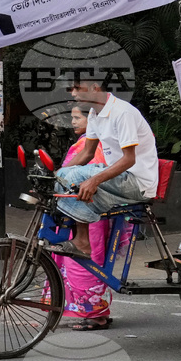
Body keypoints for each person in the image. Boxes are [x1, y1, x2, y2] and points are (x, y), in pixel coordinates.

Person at [50, 77, 159, 261]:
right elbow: (87, 153)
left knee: (79, 177)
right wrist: (57, 176)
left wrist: (94, 180)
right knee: (68, 176)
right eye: (71, 89)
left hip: (137, 181)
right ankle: (81, 239)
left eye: (78, 88)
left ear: (95, 87)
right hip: (119, 178)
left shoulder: (122, 113)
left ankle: (83, 241)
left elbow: (129, 159)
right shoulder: (94, 114)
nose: (73, 94)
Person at [50, 105, 117, 331]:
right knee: (86, 259)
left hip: (88, 209)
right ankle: (97, 311)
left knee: (84, 260)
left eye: (78, 117)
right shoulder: (91, 144)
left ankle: (96, 314)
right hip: (86, 209)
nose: (73, 122)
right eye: (72, 117)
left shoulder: (90, 146)